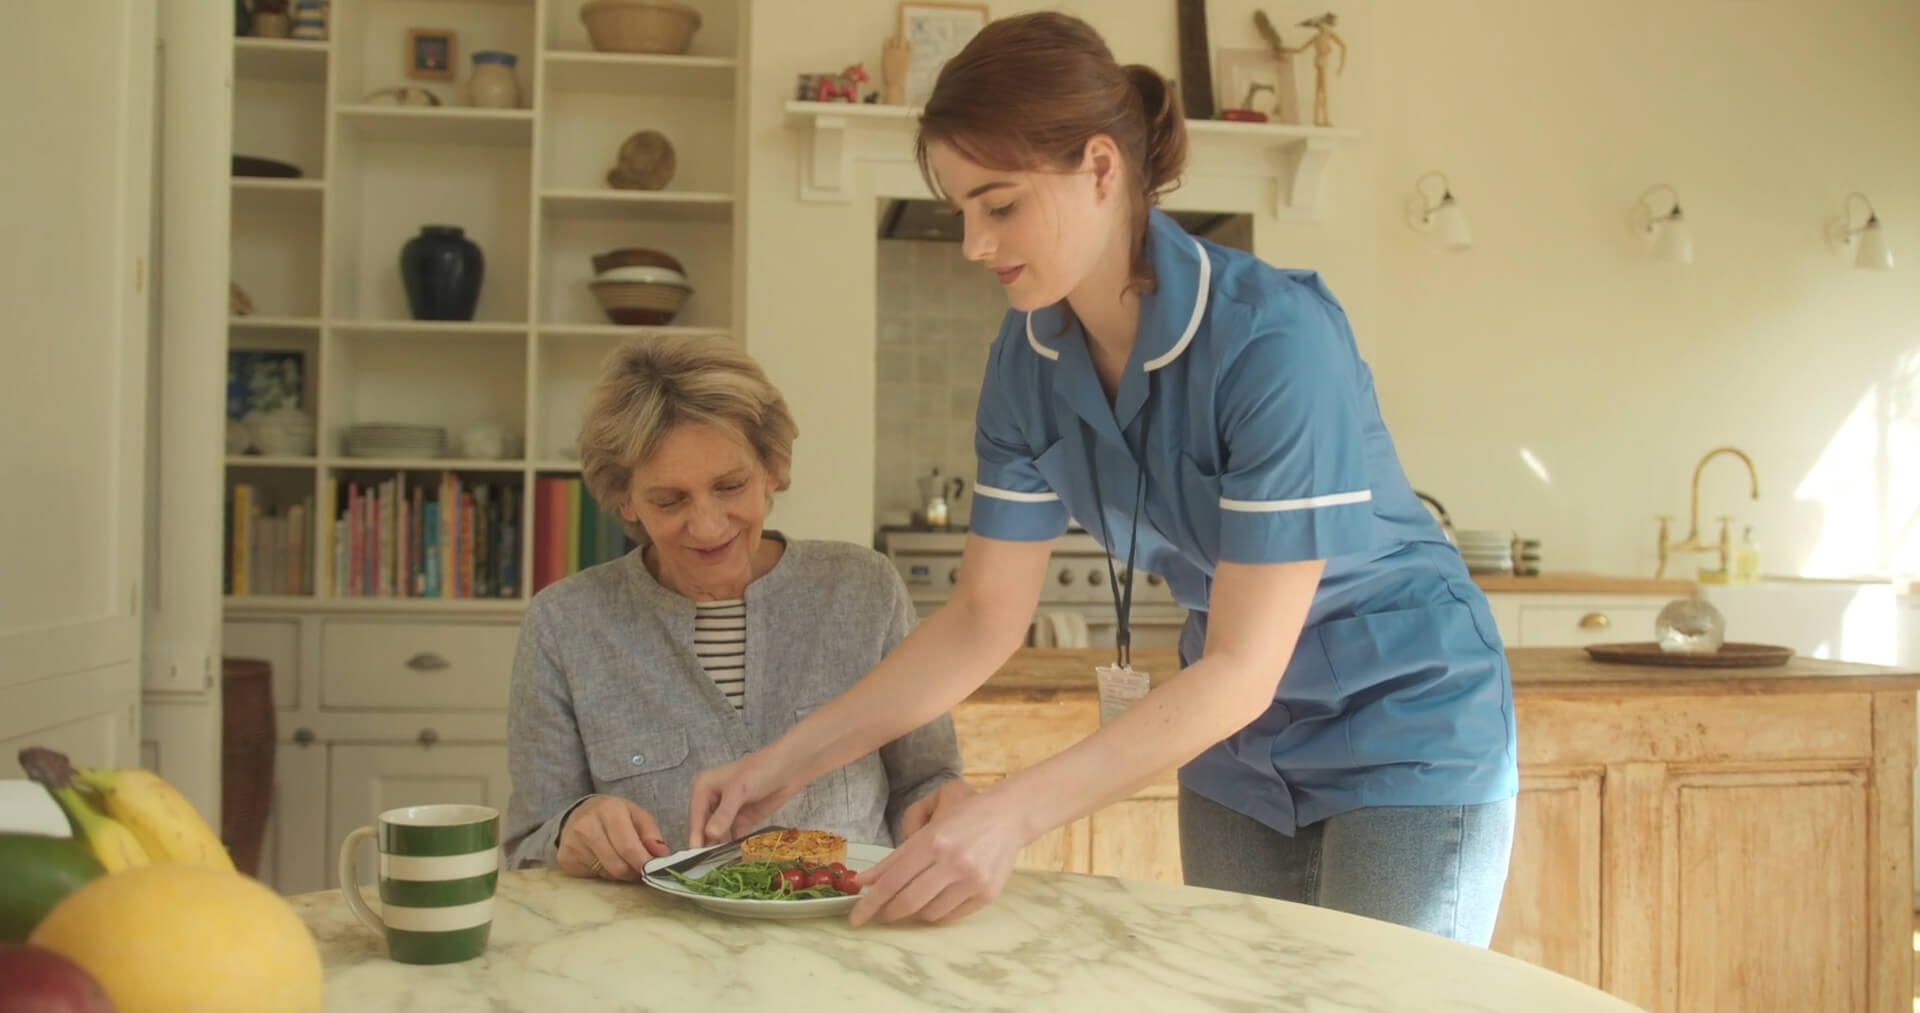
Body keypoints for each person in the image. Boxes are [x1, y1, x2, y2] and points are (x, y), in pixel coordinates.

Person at [687, 11, 1518, 943]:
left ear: (1100, 168)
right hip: (1230, 744)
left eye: (999, 205)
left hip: (1404, 720)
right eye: (961, 211)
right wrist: (780, 765)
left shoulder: (1276, 344)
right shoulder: (1024, 357)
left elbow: (1247, 665)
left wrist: (1008, 814)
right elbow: (980, 620)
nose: (973, 244)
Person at [502, 334, 970, 880]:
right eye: (669, 500)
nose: (706, 525)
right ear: (625, 500)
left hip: (847, 942)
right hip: (650, 953)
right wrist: (572, 829)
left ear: (771, 469)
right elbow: (527, 846)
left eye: (729, 486)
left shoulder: (864, 589)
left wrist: (943, 807)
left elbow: (925, 781)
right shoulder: (564, 625)